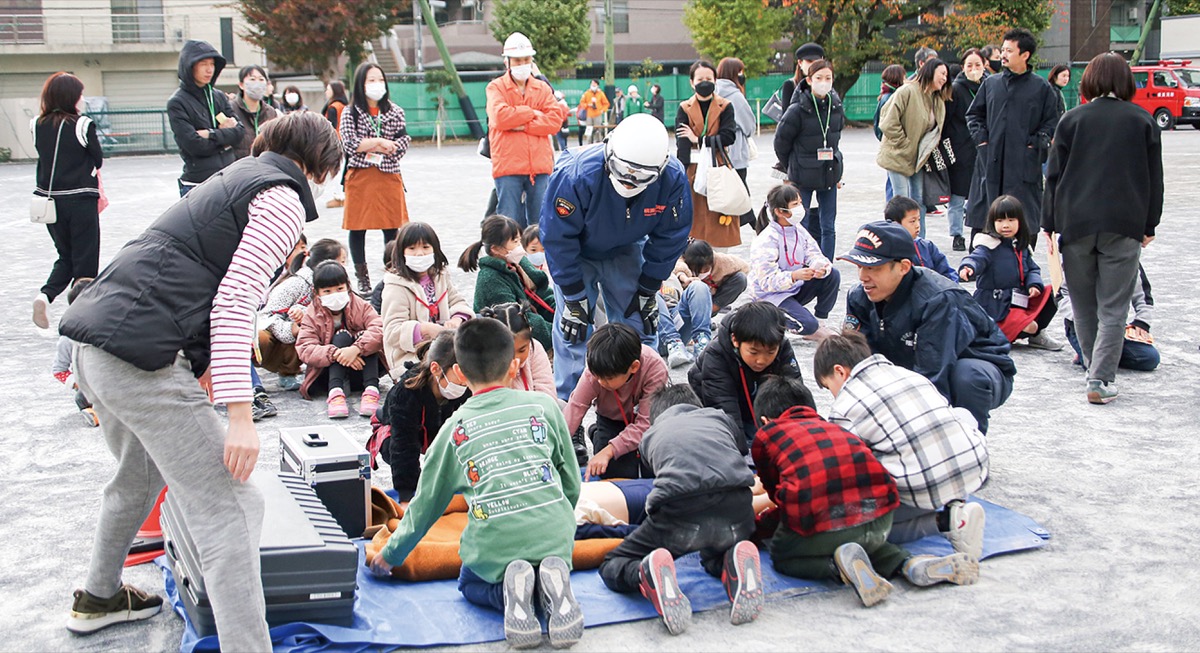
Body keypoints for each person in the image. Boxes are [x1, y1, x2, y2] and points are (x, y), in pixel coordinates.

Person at [59, 112, 341, 646]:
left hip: (95, 346)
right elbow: (236, 302)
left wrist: (209, 367)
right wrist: (239, 414)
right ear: (318, 163)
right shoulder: (280, 196)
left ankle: (98, 598)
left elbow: (190, 276)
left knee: (138, 478)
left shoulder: (232, 178)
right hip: (139, 360)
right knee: (233, 506)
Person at [369, 318, 584, 650]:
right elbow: (571, 481)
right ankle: (548, 583)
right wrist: (556, 518)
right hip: (556, 536)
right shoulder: (545, 407)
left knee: (468, 583)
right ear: (514, 366)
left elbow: (426, 505)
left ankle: (507, 592)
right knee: (544, 547)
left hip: (494, 549)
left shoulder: (455, 428)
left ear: (462, 374)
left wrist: (392, 555)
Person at [752, 375, 978, 607]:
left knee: (782, 554)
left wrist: (758, 528)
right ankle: (910, 565)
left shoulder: (768, 436)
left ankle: (838, 568)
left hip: (825, 525)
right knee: (868, 543)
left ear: (764, 421)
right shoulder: (835, 428)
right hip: (880, 521)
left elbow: (782, 503)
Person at [540, 112, 691, 399]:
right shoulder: (574, 173)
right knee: (574, 327)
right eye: (623, 172)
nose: (630, 182)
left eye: (640, 178)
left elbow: (671, 236)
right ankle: (569, 408)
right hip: (577, 252)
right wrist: (572, 294)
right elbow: (557, 237)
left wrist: (649, 288)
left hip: (627, 248)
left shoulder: (672, 179)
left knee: (638, 322)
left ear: (659, 169)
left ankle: (643, 401)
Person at [1042, 52, 1163, 404]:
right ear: (1126, 82)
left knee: (1083, 306)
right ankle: (1100, 379)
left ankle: (1093, 368)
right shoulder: (1142, 121)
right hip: (1124, 224)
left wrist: (1048, 224)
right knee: (1114, 306)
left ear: (1089, 81)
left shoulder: (1072, 120)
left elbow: (1053, 177)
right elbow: (1154, 179)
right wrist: (1150, 222)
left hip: (1075, 224)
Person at [598, 385, 762, 634]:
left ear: (656, 418)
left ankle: (644, 572)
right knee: (712, 552)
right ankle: (733, 557)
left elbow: (652, 484)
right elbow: (739, 451)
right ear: (697, 406)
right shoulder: (719, 418)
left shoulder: (650, 436)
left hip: (680, 515)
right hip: (737, 511)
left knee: (613, 563)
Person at [814, 332, 988, 560]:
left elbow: (837, 468)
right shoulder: (908, 374)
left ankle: (947, 522)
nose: (833, 395)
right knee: (960, 415)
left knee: (851, 519)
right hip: (972, 468)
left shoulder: (845, 406)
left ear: (840, 371)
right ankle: (954, 499)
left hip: (921, 486)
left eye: (829, 388)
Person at [840, 221, 1015, 433]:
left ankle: (969, 445)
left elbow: (934, 376)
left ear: (904, 267)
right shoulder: (860, 296)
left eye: (873, 268)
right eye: (859, 266)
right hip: (911, 364)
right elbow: (857, 363)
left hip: (974, 368)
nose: (862, 277)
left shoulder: (937, 300)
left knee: (966, 376)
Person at [965, 28, 1060, 240]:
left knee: (1023, 234)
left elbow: (1051, 123)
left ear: (1025, 55)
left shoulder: (1042, 88)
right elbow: (973, 115)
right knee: (983, 234)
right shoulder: (991, 84)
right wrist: (982, 141)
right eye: (1003, 49)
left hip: (1023, 168)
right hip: (991, 163)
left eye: (1009, 50)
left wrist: (1034, 144)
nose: (1003, 54)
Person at [30, 72, 103, 330]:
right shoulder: (82, 124)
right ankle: (82, 320)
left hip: (50, 203)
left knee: (66, 256)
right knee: (86, 261)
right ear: (72, 97)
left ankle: (44, 296)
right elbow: (98, 158)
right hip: (80, 200)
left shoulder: (36, 124)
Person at [340, 62, 412, 295]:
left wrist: (371, 144)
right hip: (361, 176)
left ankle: (392, 271)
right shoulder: (350, 112)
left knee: (392, 227)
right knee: (357, 227)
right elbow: (349, 143)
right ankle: (362, 278)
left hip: (389, 175)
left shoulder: (396, 111)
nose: (376, 84)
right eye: (370, 80)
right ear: (360, 84)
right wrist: (379, 143)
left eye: (380, 79)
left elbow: (402, 142)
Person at [687, 301, 803, 445]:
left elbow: (795, 394)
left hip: (753, 403)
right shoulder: (717, 354)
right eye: (753, 352)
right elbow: (725, 410)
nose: (761, 360)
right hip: (714, 405)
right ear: (735, 340)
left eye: (770, 352)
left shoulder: (782, 346)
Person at [564, 324, 669, 480]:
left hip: (648, 423)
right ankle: (598, 433)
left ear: (634, 367)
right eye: (597, 376)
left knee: (652, 472)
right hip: (611, 419)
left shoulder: (655, 368)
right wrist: (556, 447)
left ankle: (599, 435)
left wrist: (609, 450)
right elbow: (575, 408)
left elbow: (646, 424)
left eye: (608, 379)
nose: (599, 382)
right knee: (616, 472)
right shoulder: (596, 372)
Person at [486, 32, 569, 229]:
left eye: (526, 59)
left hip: (539, 167)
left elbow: (554, 120)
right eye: (517, 60)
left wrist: (520, 124)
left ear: (531, 60)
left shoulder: (542, 88)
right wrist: (533, 112)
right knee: (508, 222)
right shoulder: (495, 87)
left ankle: (539, 260)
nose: (522, 64)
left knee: (541, 223)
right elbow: (500, 117)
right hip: (508, 166)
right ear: (507, 62)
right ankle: (508, 260)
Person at [959, 195, 1062, 350]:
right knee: (1030, 326)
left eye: (1011, 220)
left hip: (1019, 299)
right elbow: (977, 258)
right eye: (1000, 221)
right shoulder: (988, 245)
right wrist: (968, 267)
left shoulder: (1021, 246)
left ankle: (1036, 334)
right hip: (996, 305)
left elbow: (1032, 268)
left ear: (1020, 221)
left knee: (1055, 292)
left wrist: (1034, 284)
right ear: (992, 222)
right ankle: (1001, 333)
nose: (1005, 225)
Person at [381, 331, 470, 504]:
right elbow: (403, 447)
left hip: (440, 429)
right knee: (397, 447)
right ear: (436, 369)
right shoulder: (406, 393)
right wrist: (407, 496)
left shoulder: (467, 387)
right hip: (405, 432)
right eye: (460, 373)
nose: (465, 381)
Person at [295, 260, 385, 418]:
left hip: (361, 370)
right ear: (316, 292)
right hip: (326, 375)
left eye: (339, 289)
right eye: (327, 291)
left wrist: (356, 349)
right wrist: (337, 354)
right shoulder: (312, 314)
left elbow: (379, 328)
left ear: (348, 286)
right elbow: (305, 348)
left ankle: (371, 391)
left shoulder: (360, 305)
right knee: (341, 336)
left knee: (366, 337)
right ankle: (335, 394)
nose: (335, 295)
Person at [773, 59, 845, 258]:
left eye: (828, 78)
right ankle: (801, 261)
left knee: (828, 226)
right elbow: (781, 141)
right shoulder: (797, 109)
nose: (824, 82)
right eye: (819, 78)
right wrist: (791, 166)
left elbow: (836, 140)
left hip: (829, 174)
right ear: (809, 80)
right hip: (802, 176)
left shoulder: (836, 107)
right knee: (800, 222)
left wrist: (837, 167)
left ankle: (827, 266)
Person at [749, 183, 840, 339]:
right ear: (779, 211)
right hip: (770, 296)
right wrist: (793, 276)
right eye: (795, 205)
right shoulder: (766, 240)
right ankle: (770, 319)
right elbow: (766, 282)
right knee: (807, 326)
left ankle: (819, 322)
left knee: (832, 275)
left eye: (800, 203)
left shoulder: (799, 230)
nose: (800, 208)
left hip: (794, 289)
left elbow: (814, 253)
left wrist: (820, 267)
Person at [258, 238, 347, 391]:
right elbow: (267, 316)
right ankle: (287, 372)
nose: (344, 267)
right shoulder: (295, 284)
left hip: (312, 332)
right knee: (263, 338)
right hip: (281, 336)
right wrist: (293, 328)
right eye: (341, 262)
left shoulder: (339, 286)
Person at [380, 221, 472, 369]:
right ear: (401, 253)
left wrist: (456, 319)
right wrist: (424, 329)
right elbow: (392, 332)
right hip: (412, 356)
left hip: (444, 346)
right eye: (412, 248)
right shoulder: (396, 285)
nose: (420, 253)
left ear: (435, 250)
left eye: (425, 247)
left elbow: (457, 300)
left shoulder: (440, 275)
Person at [877, 58, 951, 238]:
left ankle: (919, 242)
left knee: (918, 202)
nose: (944, 78)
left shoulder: (937, 99)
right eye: (942, 74)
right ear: (930, 72)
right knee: (901, 200)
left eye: (947, 75)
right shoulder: (907, 91)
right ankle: (899, 240)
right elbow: (887, 123)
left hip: (918, 159)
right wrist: (904, 144)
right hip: (898, 155)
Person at [459, 214, 555, 351]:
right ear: (496, 249)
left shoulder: (518, 263)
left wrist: (560, 314)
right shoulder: (489, 279)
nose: (519, 247)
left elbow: (542, 292)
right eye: (515, 241)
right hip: (502, 345)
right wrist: (556, 331)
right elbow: (515, 319)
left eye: (519, 240)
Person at [166, 40, 242, 197]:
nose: (209, 70)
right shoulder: (177, 102)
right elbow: (194, 145)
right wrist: (225, 138)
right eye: (203, 64)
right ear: (190, 66)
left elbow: (239, 133)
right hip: (198, 181)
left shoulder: (218, 96)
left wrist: (210, 134)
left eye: (212, 64)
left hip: (228, 176)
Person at [677, 60, 740, 248]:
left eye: (709, 78)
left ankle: (721, 261)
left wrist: (698, 139)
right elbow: (682, 145)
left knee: (720, 216)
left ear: (715, 80)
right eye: (700, 79)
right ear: (691, 82)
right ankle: (696, 261)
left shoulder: (725, 106)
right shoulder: (684, 108)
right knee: (695, 218)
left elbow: (728, 136)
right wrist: (680, 174)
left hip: (719, 166)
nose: (704, 82)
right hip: (693, 170)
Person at [1061, 266, 1160, 372]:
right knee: (1097, 366)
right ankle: (1094, 354)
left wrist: (1142, 321)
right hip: (1082, 324)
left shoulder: (1127, 258)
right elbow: (1061, 294)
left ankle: (1106, 355)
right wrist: (1081, 317)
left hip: (1114, 325)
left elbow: (1143, 297)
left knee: (1150, 358)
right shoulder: (1078, 256)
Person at [944, 49, 985, 251]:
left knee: (979, 193)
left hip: (982, 148)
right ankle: (957, 234)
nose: (974, 69)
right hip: (960, 148)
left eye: (977, 65)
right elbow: (947, 119)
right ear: (963, 67)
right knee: (958, 195)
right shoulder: (956, 89)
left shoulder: (989, 86)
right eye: (969, 65)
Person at [481, 303, 555, 398]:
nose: (516, 358)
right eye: (507, 353)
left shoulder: (534, 348)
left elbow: (548, 395)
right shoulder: (482, 361)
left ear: (530, 331)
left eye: (522, 350)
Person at [716, 57, 757, 228]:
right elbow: (749, 126)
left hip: (718, 151)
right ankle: (754, 224)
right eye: (740, 71)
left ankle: (749, 222)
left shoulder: (714, 92)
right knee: (741, 192)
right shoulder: (735, 96)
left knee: (730, 191)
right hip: (736, 152)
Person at [51, 278, 98, 426]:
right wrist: (78, 383)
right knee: (81, 397)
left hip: (112, 379)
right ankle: (93, 413)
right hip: (89, 385)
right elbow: (59, 370)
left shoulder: (111, 325)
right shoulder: (68, 338)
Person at [884, 196, 956, 282]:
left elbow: (947, 273)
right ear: (895, 225)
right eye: (912, 221)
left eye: (919, 220)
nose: (917, 225)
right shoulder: (886, 252)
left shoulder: (927, 246)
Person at [676, 238, 749, 315]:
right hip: (689, 299)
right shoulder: (683, 261)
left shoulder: (722, 261)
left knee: (741, 278)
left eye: (706, 269)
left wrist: (720, 281)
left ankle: (709, 311)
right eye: (698, 270)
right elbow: (679, 268)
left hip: (712, 297)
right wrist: (685, 279)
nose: (702, 272)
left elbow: (745, 267)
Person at [228, 65, 278, 161]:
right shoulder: (231, 109)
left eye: (261, 79)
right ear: (241, 84)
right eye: (252, 79)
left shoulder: (270, 112)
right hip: (239, 167)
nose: (257, 83)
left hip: (265, 166)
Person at [873, 64, 906, 202]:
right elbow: (882, 126)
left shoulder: (886, 95)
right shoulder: (890, 97)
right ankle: (892, 214)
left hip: (889, 145)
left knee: (891, 182)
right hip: (893, 147)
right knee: (894, 186)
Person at [322, 80, 350, 208]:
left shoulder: (333, 107)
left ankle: (338, 197)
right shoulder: (345, 105)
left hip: (336, 141)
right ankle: (342, 195)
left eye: (328, 89)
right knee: (344, 168)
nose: (326, 92)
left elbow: (331, 126)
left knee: (336, 170)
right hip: (345, 139)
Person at [779, 42, 825, 115]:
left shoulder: (825, 84)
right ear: (800, 62)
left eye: (817, 61)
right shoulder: (791, 85)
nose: (813, 65)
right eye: (809, 61)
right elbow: (786, 116)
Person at [578, 79, 610, 144]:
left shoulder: (601, 93)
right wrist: (587, 105)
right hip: (589, 115)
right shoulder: (587, 93)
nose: (593, 85)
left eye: (594, 84)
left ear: (597, 85)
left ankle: (599, 143)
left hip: (598, 114)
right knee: (589, 130)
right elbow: (582, 103)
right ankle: (589, 143)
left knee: (598, 130)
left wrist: (602, 110)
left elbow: (606, 104)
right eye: (592, 84)